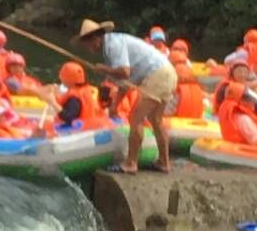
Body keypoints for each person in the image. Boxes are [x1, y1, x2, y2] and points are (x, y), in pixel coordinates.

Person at [75, 19, 176, 173]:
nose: (87, 48)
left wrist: (105, 69)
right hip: (167, 72)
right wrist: (115, 106)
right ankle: (164, 162)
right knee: (156, 119)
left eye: (87, 43)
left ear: (95, 39)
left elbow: (124, 71)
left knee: (136, 118)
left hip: (157, 74)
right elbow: (125, 82)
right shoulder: (111, 46)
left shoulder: (113, 45)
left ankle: (131, 163)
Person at [48, 61, 103, 129]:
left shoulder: (74, 98)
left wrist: (53, 102)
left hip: (80, 129)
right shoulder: (89, 90)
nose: (61, 79)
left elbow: (69, 118)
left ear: (69, 80)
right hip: (92, 124)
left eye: (62, 77)